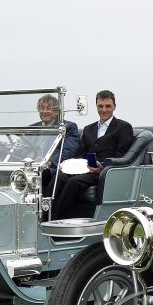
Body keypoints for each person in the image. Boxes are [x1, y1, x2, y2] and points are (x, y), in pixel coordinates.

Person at [49, 90, 134, 220]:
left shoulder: (123, 127)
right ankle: (43, 213)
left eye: (108, 106)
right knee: (57, 177)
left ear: (114, 107)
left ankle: (53, 219)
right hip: (84, 169)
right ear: (96, 107)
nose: (104, 110)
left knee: (73, 182)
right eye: (100, 106)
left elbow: (121, 155)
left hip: (104, 173)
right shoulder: (89, 129)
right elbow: (80, 153)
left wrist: (103, 168)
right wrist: (70, 166)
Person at [36, 94, 81, 196]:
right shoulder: (32, 128)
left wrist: (48, 163)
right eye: (42, 108)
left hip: (51, 168)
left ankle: (45, 209)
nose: (45, 111)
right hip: (31, 167)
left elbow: (68, 152)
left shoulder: (68, 127)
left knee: (53, 176)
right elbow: (23, 149)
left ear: (57, 111)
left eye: (49, 108)